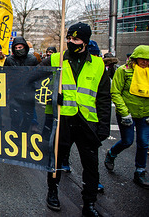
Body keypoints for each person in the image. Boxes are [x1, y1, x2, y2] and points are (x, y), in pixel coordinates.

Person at [41, 22, 111, 216]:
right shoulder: (55, 59)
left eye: (76, 39)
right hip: (62, 120)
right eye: (69, 38)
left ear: (86, 42)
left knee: (91, 165)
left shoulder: (98, 65)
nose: (71, 42)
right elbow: (33, 80)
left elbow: (104, 97)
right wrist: (52, 95)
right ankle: (52, 192)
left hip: (87, 122)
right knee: (55, 160)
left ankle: (89, 203)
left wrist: (104, 126)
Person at [104, 45, 149, 189]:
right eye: (143, 60)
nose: (145, 63)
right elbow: (115, 92)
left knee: (143, 143)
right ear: (136, 58)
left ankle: (140, 172)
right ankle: (111, 154)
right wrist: (124, 113)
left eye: (148, 60)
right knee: (127, 141)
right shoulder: (123, 71)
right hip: (127, 114)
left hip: (145, 115)